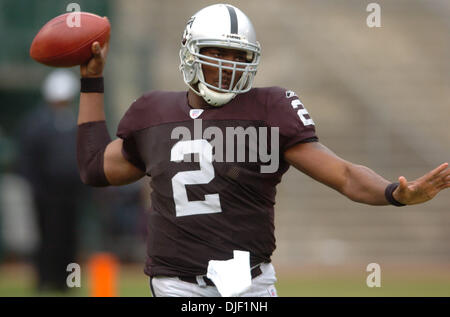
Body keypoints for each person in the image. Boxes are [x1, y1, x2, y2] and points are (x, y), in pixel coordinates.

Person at [76, 4, 450, 297]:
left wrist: (394, 193)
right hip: (177, 284)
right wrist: (92, 80)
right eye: (218, 52)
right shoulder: (153, 112)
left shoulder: (269, 108)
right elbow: (94, 167)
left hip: (249, 282)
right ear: (191, 53)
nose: (228, 65)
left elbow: (345, 175)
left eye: (239, 56)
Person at [18, 69, 87, 292]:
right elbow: (28, 160)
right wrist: (37, 188)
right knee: (47, 236)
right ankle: (44, 281)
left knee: (71, 238)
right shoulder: (37, 124)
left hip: (71, 193)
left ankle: (69, 282)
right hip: (46, 194)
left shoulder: (74, 122)